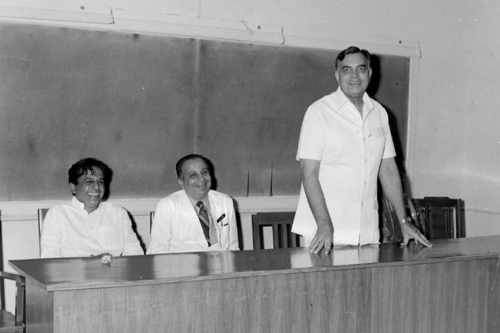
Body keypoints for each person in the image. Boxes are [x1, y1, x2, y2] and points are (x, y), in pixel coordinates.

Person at [291, 46, 431, 254]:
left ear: (370, 73)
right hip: (324, 233)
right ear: (337, 74)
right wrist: (324, 225)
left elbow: (388, 169)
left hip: (367, 232)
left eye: (361, 69)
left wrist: (403, 220)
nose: (354, 76)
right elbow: (309, 175)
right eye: (346, 70)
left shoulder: (380, 113)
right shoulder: (318, 112)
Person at [40, 158, 144, 258]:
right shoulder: (58, 214)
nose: (97, 187)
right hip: (71, 275)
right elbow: (49, 257)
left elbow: (135, 251)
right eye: (89, 182)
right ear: (73, 187)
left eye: (100, 182)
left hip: (113, 274)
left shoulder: (118, 213)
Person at [147, 154, 239, 254]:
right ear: (181, 182)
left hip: (221, 265)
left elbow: (233, 246)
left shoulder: (225, 201)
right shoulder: (168, 205)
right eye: (193, 175)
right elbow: (156, 251)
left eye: (204, 172)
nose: (202, 179)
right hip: (182, 266)